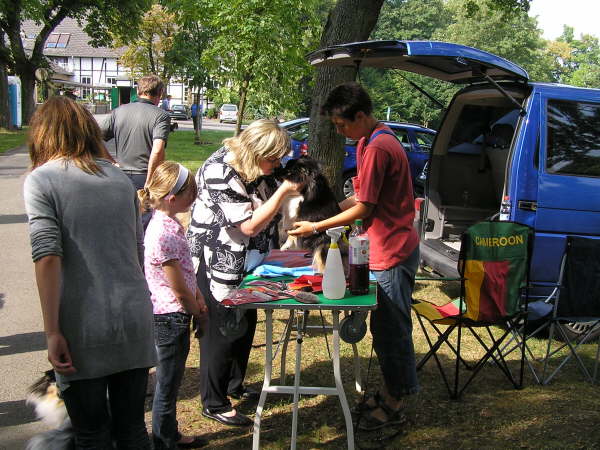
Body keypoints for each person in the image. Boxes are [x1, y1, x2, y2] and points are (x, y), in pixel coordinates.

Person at [24, 96, 156, 447]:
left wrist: (52, 331)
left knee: (91, 433)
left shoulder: (42, 180)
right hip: (134, 317)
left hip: (84, 325)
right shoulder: (117, 178)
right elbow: (137, 251)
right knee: (132, 430)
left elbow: (47, 255)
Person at [289, 82, 420, 431]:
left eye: (342, 124)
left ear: (361, 115)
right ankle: (392, 391)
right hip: (379, 247)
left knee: (392, 329)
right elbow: (358, 194)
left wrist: (317, 227)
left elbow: (364, 206)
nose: (339, 130)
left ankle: (396, 402)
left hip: (393, 249)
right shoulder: (367, 141)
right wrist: (321, 217)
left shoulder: (380, 147)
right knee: (381, 326)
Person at [186, 119, 302, 427]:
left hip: (248, 260)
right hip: (216, 262)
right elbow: (247, 225)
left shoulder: (253, 167)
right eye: (274, 158)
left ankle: (234, 386)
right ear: (256, 151)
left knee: (245, 322)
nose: (278, 165)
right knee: (221, 332)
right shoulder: (218, 172)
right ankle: (214, 401)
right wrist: (284, 192)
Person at [140, 161, 208, 449]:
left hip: (177, 315)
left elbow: (186, 273)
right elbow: (178, 288)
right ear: (172, 197)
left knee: (172, 383)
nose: (194, 197)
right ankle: (164, 440)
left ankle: (170, 433)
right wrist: (197, 311)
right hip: (171, 317)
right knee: (167, 387)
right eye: (190, 192)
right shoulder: (163, 233)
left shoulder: (169, 224)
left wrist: (199, 297)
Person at [101, 75, 171, 219]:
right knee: (144, 221)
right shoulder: (161, 116)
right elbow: (157, 150)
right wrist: (150, 180)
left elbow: (94, 137)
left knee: (122, 218)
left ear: (138, 90)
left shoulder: (118, 111)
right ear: (160, 93)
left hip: (120, 174)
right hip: (145, 175)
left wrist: (111, 161)